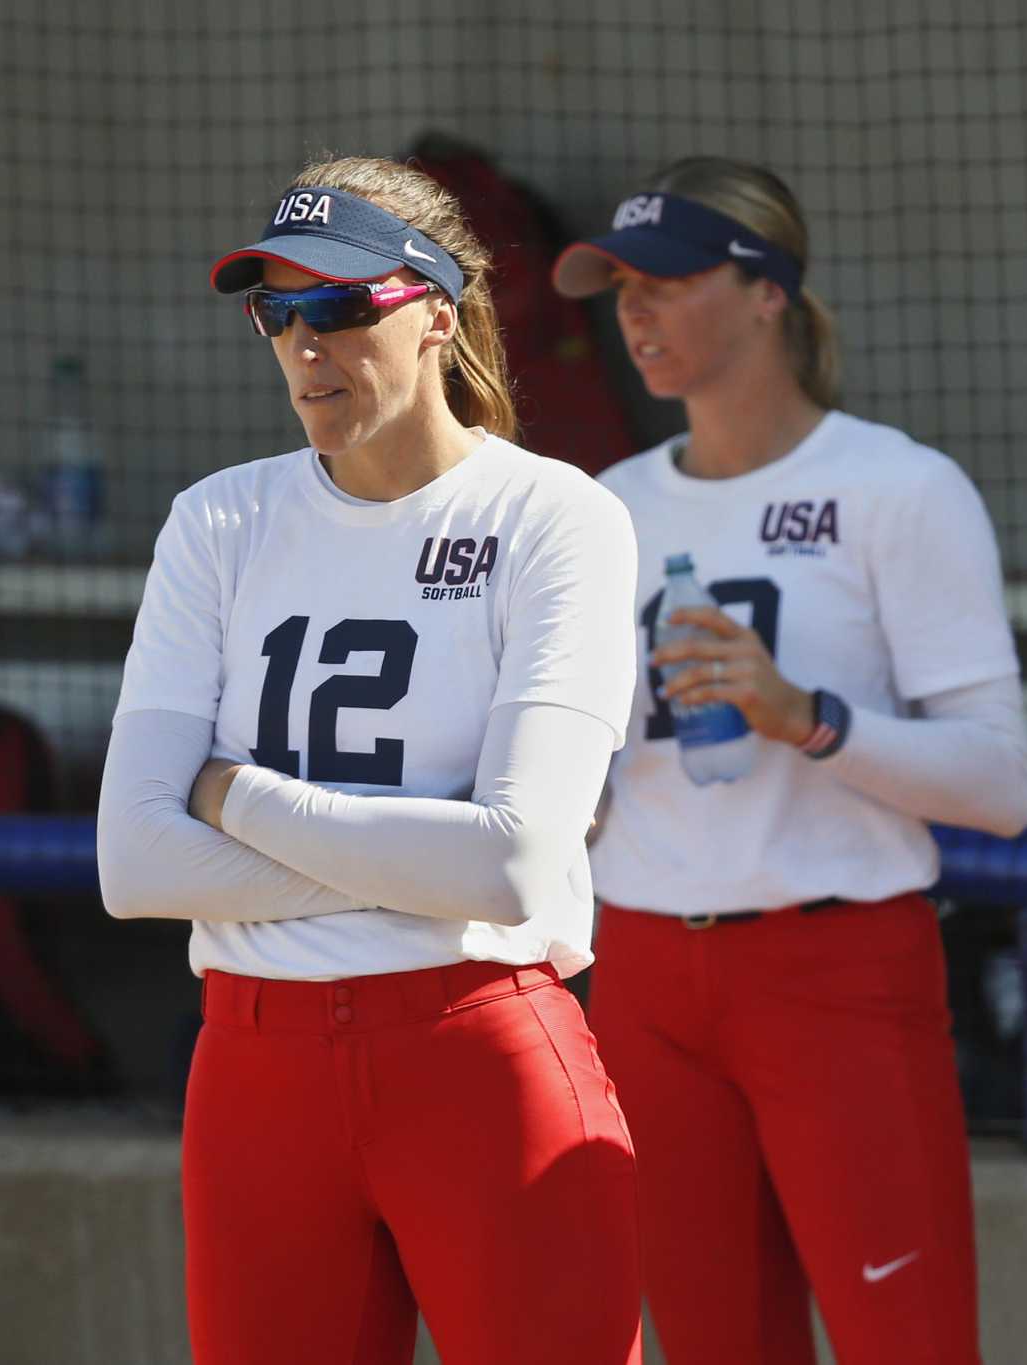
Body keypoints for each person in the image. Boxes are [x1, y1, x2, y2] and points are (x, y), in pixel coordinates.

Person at [96, 157, 644, 1365]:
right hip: (250, 1069)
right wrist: (413, 857)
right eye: (276, 313)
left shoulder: (556, 518)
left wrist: (235, 796)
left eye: (342, 306)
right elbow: (133, 864)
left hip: (477, 1052)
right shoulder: (217, 520)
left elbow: (511, 868)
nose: (305, 344)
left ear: (439, 312)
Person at [550, 156, 1027, 1365]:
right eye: (619, 288)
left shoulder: (897, 489)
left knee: (903, 1341)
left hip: (839, 971)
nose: (636, 311)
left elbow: (997, 784)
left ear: (767, 291)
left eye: (666, 280)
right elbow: (581, 792)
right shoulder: (601, 509)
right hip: (646, 973)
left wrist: (805, 716)